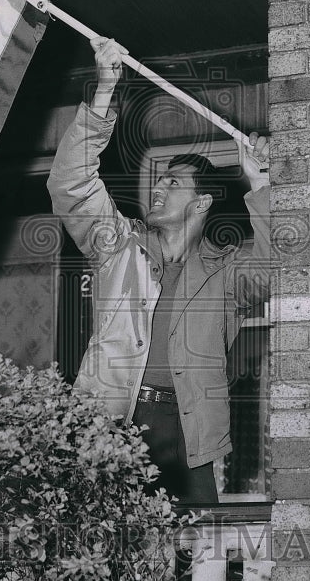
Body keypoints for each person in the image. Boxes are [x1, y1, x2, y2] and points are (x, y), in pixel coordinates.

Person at [47, 37, 270, 506]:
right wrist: (105, 90)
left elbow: (276, 268)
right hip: (112, 428)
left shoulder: (226, 274)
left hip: (189, 437)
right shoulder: (118, 246)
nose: (158, 187)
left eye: (173, 181)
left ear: (202, 202)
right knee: (111, 562)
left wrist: (262, 184)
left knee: (196, 565)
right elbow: (70, 183)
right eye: (159, 177)